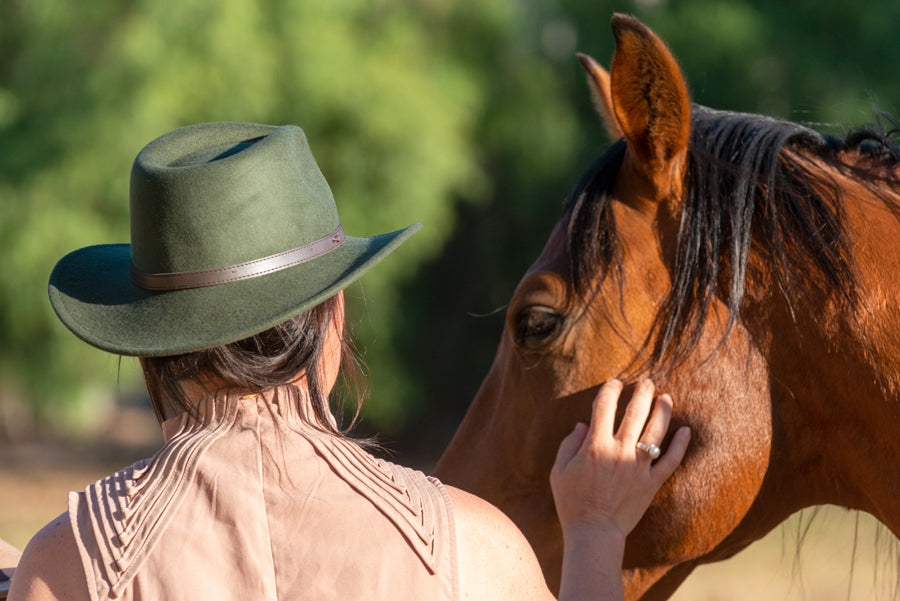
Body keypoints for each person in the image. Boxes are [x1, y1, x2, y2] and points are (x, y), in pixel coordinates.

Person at [8, 122, 690, 601]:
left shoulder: (68, 561)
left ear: (154, 349)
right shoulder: (468, 547)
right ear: (330, 322)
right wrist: (597, 531)